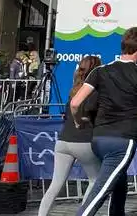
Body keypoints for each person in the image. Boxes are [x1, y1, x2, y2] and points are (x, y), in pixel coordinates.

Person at [69, 27, 137, 216]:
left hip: (99, 138)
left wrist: (78, 122)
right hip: (123, 140)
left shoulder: (100, 71)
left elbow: (75, 103)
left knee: (119, 185)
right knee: (99, 192)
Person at [37, 56, 103, 216]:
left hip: (63, 141)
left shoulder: (74, 90)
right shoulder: (96, 92)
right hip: (83, 141)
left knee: (55, 185)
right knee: (95, 181)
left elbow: (68, 114)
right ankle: (83, 214)